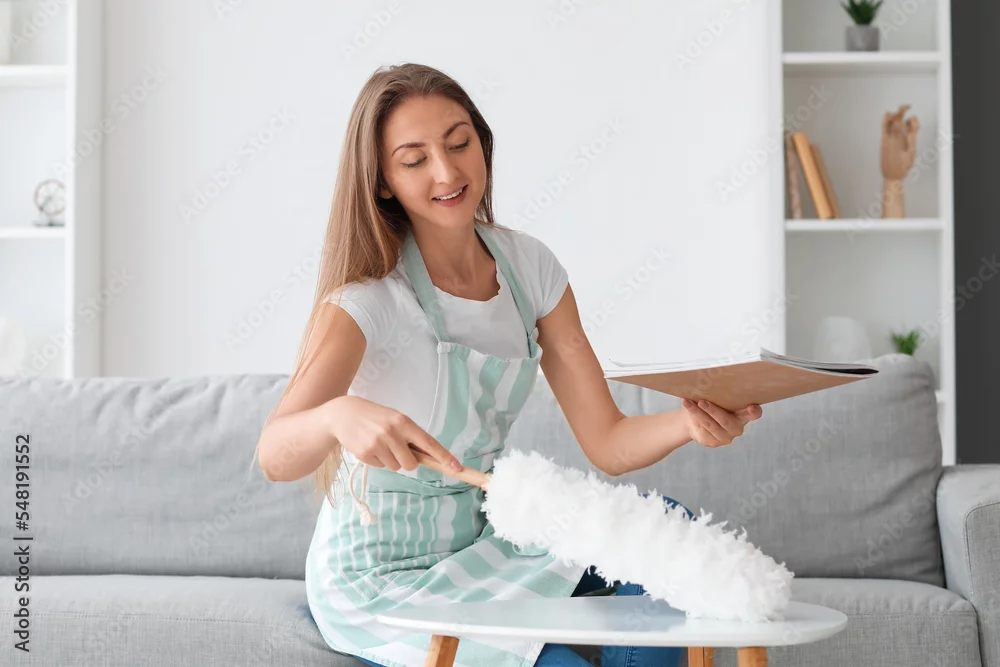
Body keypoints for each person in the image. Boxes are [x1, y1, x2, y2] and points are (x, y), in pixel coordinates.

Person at [252, 63, 764, 667]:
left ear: (483, 144)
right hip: (378, 581)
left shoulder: (529, 269)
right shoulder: (368, 301)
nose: (447, 173)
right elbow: (275, 455)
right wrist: (337, 415)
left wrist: (691, 422)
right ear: (383, 182)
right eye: (414, 160)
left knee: (667, 534)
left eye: (459, 143)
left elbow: (608, 441)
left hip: (483, 547)